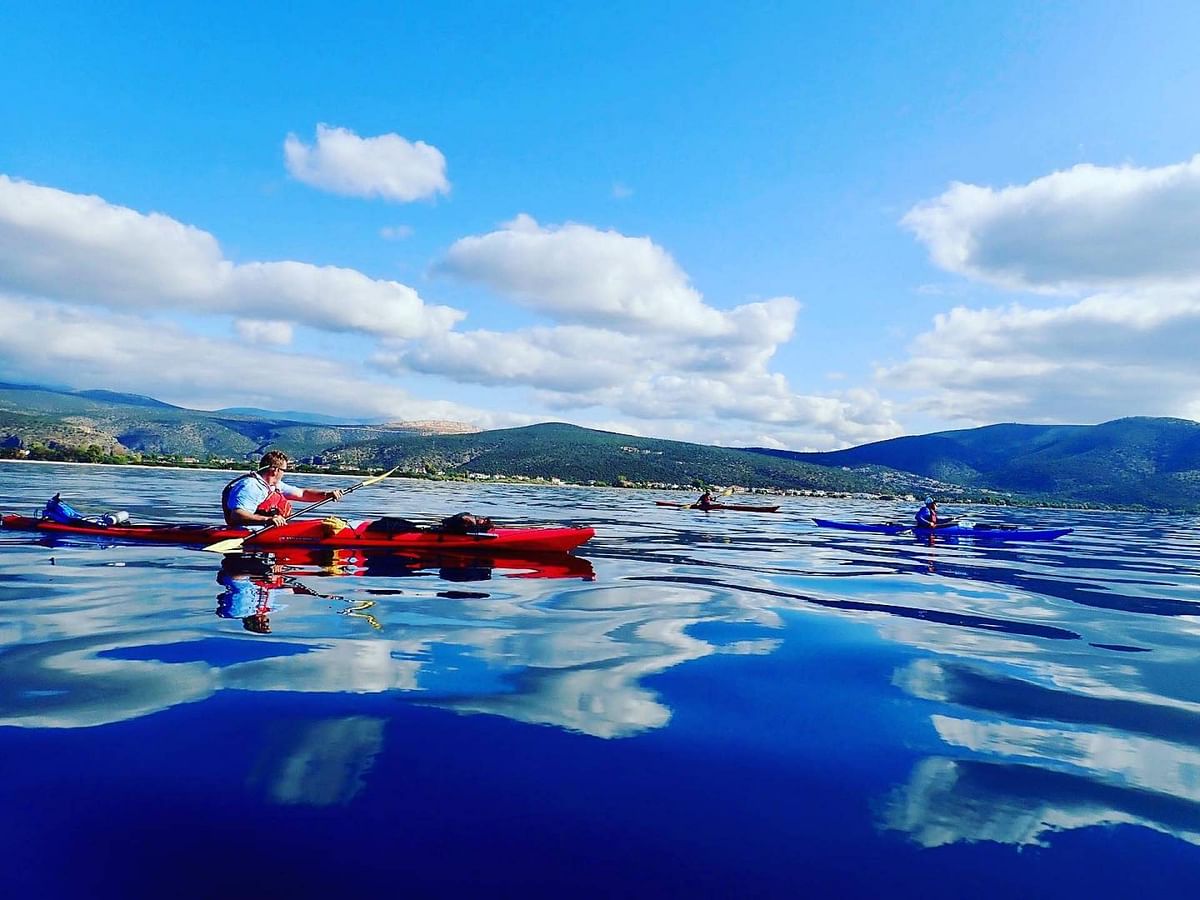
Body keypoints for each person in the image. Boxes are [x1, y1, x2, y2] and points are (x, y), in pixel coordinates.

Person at [222, 450, 343, 527]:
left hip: (268, 529)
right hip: (247, 534)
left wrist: (327, 494)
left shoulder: (275, 485)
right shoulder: (251, 486)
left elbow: (302, 494)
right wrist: (267, 520)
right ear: (275, 470)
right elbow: (237, 515)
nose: (284, 473)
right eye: (284, 470)